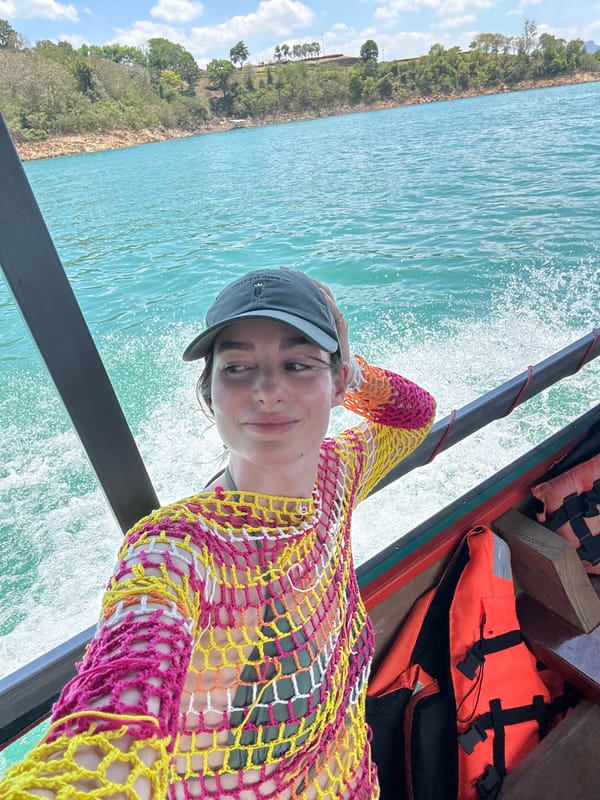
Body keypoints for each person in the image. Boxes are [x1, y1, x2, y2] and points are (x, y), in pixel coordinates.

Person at [2, 267, 435, 799]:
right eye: (237, 368)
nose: (268, 391)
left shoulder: (336, 473)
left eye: (297, 365)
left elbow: (415, 416)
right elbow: (121, 690)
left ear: (336, 383)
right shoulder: (179, 549)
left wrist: (356, 374)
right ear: (210, 394)